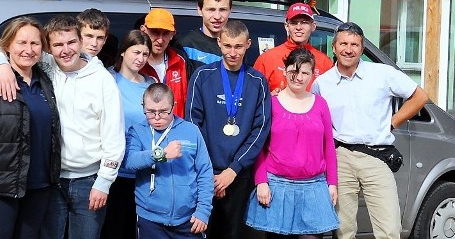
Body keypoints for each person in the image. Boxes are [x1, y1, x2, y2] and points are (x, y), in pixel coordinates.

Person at [0, 15, 124, 239]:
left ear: (80, 42)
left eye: (71, 42)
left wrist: (104, 181)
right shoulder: (46, 67)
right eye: (58, 45)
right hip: (51, 180)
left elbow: (114, 136)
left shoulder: (102, 80)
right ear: (49, 48)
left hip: (89, 182)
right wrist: (2, 66)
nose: (66, 50)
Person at [311, 22, 429, 239]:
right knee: (343, 230)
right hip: (340, 158)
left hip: (376, 156)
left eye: (354, 44)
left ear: (362, 48)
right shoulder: (321, 84)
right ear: (334, 47)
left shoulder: (382, 73)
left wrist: (393, 123)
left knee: (389, 229)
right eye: (344, 43)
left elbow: (419, 96)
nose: (349, 49)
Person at [0, 17, 62, 238]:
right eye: (21, 43)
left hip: (38, 188)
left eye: (35, 44)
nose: (28, 50)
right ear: (7, 46)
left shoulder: (45, 81)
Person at [186, 20, 272, 239]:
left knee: (233, 234)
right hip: (204, 173)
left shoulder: (258, 81)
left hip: (239, 174)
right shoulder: (202, 76)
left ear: (248, 45)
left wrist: (232, 170)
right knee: (201, 231)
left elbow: (260, 129)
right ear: (219, 43)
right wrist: (210, 173)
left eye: (238, 46)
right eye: (227, 46)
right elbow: (192, 124)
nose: (232, 52)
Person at [246, 48, 339, 238]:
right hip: (277, 188)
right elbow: (259, 147)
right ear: (285, 71)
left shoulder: (321, 104)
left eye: (305, 73)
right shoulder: (270, 104)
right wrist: (261, 181)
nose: (298, 77)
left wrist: (332, 183)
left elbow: (328, 146)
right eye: (293, 71)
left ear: (313, 75)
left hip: (313, 187)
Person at [124, 83, 214, 238]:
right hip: (150, 219)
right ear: (143, 106)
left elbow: (204, 172)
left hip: (189, 218)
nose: (157, 117)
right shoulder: (138, 131)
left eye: (164, 111)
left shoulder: (191, 131)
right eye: (151, 112)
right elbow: (130, 162)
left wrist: (203, 210)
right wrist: (161, 154)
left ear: (174, 106)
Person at [101, 30, 155, 239]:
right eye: (136, 52)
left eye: (145, 54)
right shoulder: (107, 78)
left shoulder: (150, 85)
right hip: (112, 172)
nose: (140, 59)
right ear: (123, 51)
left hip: (142, 172)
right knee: (112, 228)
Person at [254, 2, 333, 95]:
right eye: (294, 23)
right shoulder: (267, 59)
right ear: (286, 26)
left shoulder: (325, 62)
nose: (299, 27)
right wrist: (269, 99)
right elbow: (254, 95)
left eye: (304, 22)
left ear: (313, 26)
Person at [139, 8, 190, 117]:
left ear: (172, 34)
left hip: (176, 131)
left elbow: (188, 103)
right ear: (143, 31)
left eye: (166, 33)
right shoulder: (135, 64)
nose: (160, 40)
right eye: (155, 32)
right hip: (144, 132)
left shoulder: (181, 60)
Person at [178, 0, 233, 71]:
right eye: (211, 10)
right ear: (199, 10)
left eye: (223, 10)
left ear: (230, 10)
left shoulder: (235, 46)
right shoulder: (185, 43)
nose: (217, 16)